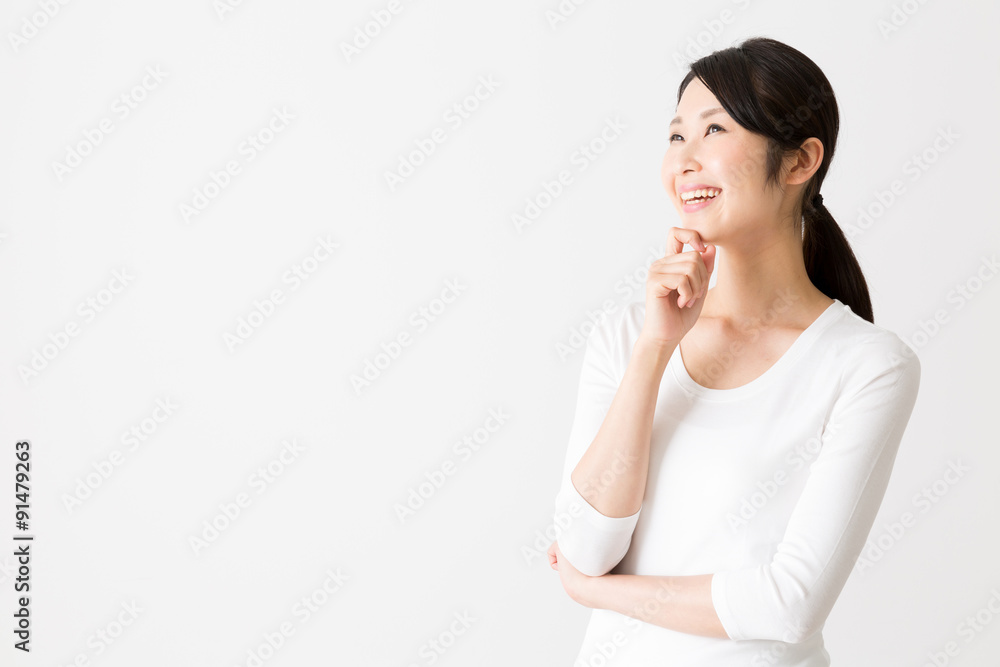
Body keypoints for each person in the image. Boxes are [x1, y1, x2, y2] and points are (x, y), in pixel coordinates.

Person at [546, 36, 921, 666]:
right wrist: (656, 349)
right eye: (675, 136)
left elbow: (788, 604)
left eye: (714, 130)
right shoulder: (627, 336)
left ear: (800, 161)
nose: (685, 161)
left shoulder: (867, 367)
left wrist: (597, 593)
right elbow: (585, 545)